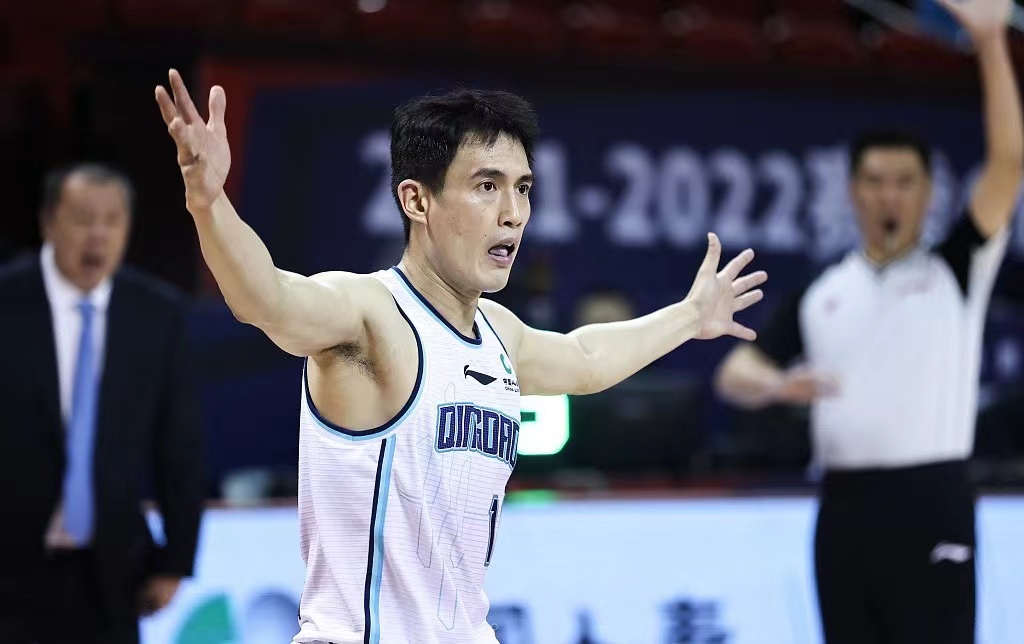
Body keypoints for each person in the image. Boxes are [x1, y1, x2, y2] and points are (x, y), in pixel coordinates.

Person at [154, 70, 767, 642]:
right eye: (487, 187)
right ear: (416, 201)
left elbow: (585, 359)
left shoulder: (499, 333)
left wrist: (690, 317)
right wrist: (209, 202)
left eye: (522, 189)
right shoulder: (368, 312)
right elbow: (265, 297)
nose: (513, 214)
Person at [713, 1, 1022, 642]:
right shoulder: (824, 292)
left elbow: (1008, 163)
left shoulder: (957, 267)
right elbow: (735, 372)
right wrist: (776, 386)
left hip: (932, 496)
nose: (890, 195)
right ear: (852, 190)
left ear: (929, 192)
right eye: (876, 181)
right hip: (844, 508)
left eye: (905, 182)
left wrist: (991, 41)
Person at [0, 164, 205, 644]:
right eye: (83, 219)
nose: (99, 235)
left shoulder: (157, 315)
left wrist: (176, 559)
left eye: (113, 220)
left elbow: (179, 446)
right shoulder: (7, 301)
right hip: (9, 570)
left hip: (114, 574)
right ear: (49, 222)